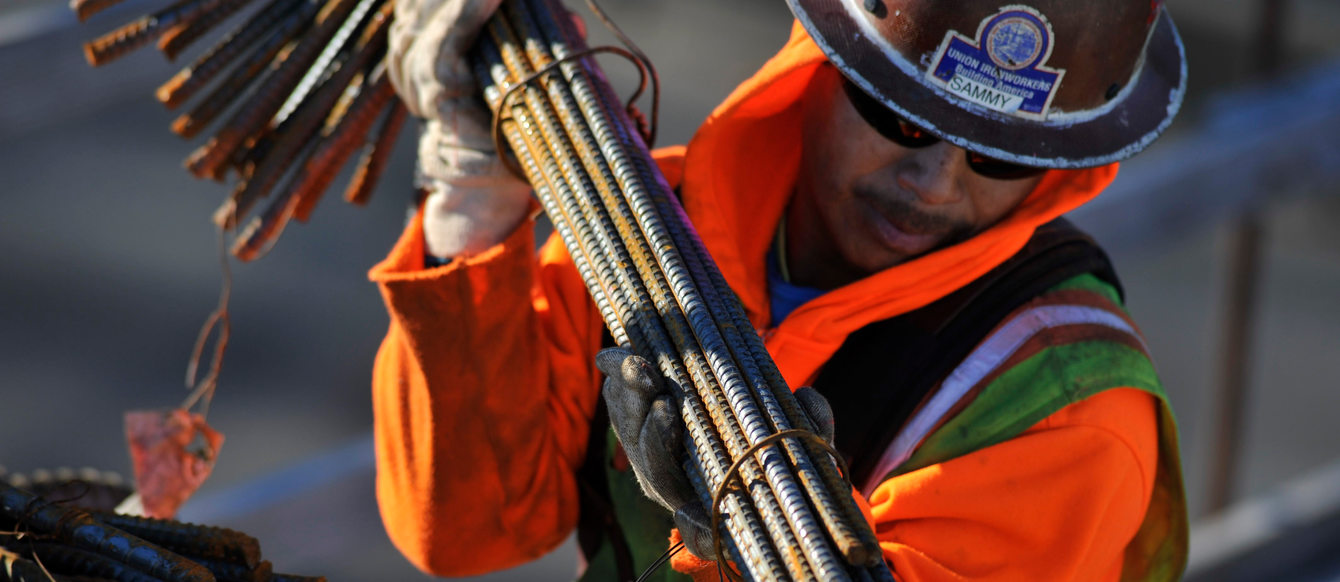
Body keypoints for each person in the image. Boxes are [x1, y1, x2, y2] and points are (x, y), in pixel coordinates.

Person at [371, 0, 1190, 580]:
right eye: (900, 115)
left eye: (999, 156)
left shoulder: (1060, 408)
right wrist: (474, 209)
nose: (933, 184)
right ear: (823, 59)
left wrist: (722, 544)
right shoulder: (656, 228)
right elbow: (470, 530)